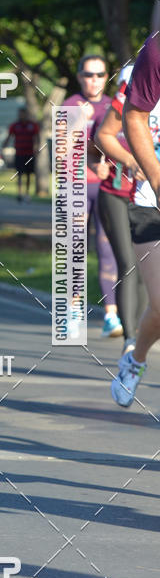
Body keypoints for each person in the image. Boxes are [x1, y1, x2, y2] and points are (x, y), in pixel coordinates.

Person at [114, 35, 160, 406]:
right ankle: (136, 358)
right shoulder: (152, 56)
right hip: (149, 200)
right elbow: (128, 117)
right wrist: (154, 176)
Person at [65, 55, 122, 338]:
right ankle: (73, 312)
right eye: (88, 74)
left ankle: (111, 314)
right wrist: (80, 122)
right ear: (79, 76)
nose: (94, 80)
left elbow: (119, 145)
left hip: (106, 186)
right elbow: (62, 150)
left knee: (106, 248)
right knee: (75, 248)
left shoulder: (114, 106)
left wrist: (106, 165)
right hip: (74, 185)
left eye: (100, 74)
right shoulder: (68, 105)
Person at [94, 66, 147, 357]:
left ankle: (139, 332)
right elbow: (100, 138)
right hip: (115, 194)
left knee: (146, 268)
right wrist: (129, 160)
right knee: (128, 263)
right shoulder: (122, 102)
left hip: (149, 197)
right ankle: (129, 339)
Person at [3, 107, 39, 201]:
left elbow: (36, 138)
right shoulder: (15, 125)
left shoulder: (32, 125)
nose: (21, 116)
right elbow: (9, 136)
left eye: (23, 114)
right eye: (20, 114)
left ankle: (27, 193)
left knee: (28, 174)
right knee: (19, 174)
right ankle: (19, 193)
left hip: (29, 153)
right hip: (19, 153)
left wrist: (37, 148)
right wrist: (4, 145)